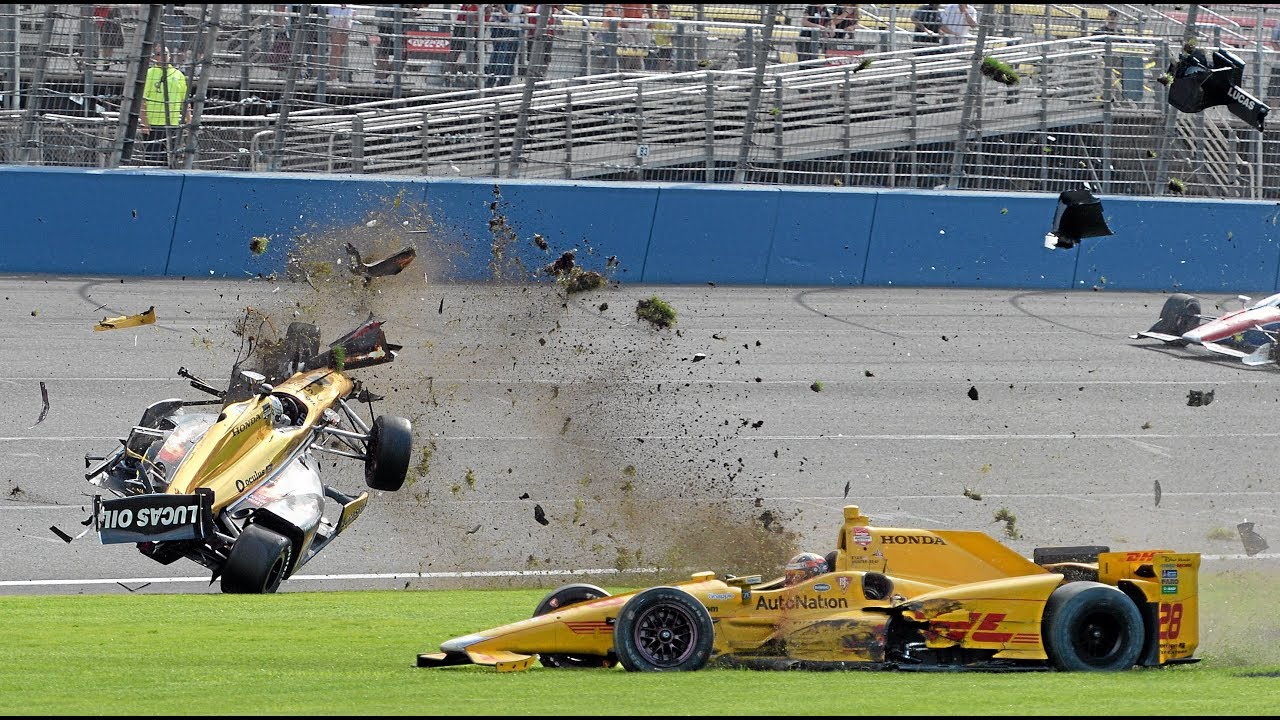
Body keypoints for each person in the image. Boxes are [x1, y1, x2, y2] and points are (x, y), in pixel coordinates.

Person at [139, 47, 190, 167]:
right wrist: (145, 123)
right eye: (158, 54)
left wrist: (189, 121)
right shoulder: (149, 73)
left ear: (169, 55)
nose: (162, 56)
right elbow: (142, 100)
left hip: (173, 124)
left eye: (165, 53)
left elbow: (185, 100)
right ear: (154, 57)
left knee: (173, 161)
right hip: (153, 125)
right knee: (152, 160)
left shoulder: (178, 75)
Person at [487, 4, 522, 87]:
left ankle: (504, 82)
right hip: (501, 27)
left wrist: (525, 9)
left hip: (514, 27)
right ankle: (492, 80)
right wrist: (502, 9)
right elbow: (502, 13)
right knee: (500, 55)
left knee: (510, 57)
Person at [373, 5, 406, 84]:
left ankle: (385, 74)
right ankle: (379, 78)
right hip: (386, 19)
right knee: (384, 50)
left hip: (403, 20)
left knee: (404, 52)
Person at [326, 4, 354, 84]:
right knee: (336, 48)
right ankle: (333, 78)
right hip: (335, 14)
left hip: (347, 13)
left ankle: (334, 75)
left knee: (341, 49)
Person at [94, 5, 125, 69]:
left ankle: (107, 63)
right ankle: (105, 62)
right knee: (105, 43)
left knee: (110, 43)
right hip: (103, 18)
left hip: (111, 16)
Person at [646, 4, 674, 72]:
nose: (662, 13)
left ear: (668, 13)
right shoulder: (656, 22)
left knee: (666, 61)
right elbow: (648, 26)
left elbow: (672, 34)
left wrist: (669, 36)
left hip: (667, 46)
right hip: (658, 45)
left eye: (664, 11)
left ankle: (664, 73)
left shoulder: (670, 23)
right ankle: (662, 74)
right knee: (662, 61)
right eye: (660, 11)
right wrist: (653, 19)